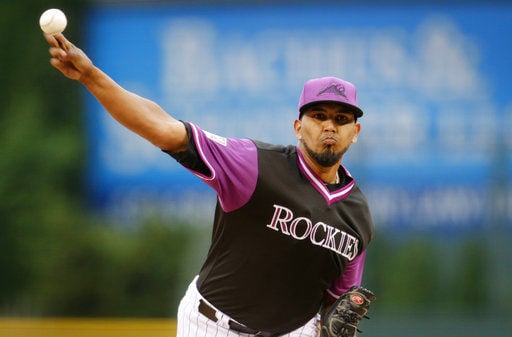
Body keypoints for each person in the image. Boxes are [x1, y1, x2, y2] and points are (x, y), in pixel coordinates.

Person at [44, 33, 374, 337]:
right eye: (319, 116)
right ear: (298, 127)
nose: (330, 126)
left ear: (354, 133)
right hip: (213, 325)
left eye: (342, 119)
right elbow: (164, 128)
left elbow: (338, 305)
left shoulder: (357, 216)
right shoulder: (254, 164)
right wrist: (90, 76)